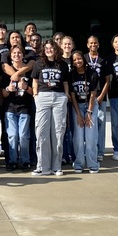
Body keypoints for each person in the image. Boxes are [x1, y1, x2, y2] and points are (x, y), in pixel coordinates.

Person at [30, 39, 71, 176]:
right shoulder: (39, 63)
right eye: (46, 48)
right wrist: (35, 95)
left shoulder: (62, 64)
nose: (49, 50)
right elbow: (35, 80)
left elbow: (65, 82)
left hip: (59, 98)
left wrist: (65, 96)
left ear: (56, 49)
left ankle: (56, 166)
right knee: (41, 132)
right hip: (43, 97)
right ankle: (42, 166)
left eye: (51, 47)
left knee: (58, 133)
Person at [1, 45, 33, 171]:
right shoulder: (6, 72)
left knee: (24, 136)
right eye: (14, 53)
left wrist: (25, 87)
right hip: (10, 108)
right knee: (12, 135)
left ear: (23, 55)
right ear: (10, 56)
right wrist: (9, 89)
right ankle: (12, 161)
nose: (17, 55)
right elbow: (3, 93)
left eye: (19, 53)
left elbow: (33, 91)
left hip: (25, 107)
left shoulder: (28, 71)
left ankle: (25, 161)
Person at [68, 49, 100, 173]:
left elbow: (93, 94)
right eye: (74, 60)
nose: (77, 61)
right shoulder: (71, 75)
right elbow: (73, 96)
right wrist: (78, 114)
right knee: (78, 137)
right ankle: (79, 163)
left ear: (84, 59)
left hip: (91, 106)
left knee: (91, 136)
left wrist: (89, 112)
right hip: (77, 106)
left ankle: (92, 163)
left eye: (79, 59)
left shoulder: (92, 73)